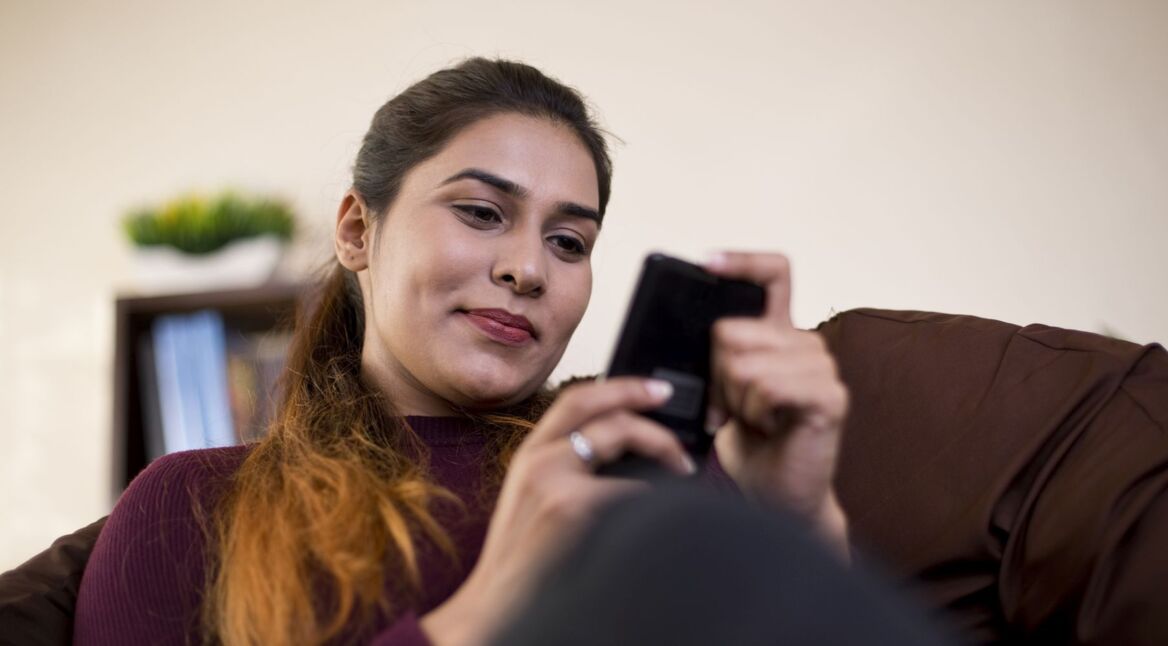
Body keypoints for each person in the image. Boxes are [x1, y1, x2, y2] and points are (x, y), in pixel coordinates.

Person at [73, 58, 858, 646]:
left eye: (568, 241)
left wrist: (801, 518)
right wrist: (495, 601)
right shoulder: (186, 509)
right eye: (482, 212)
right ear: (357, 230)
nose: (529, 269)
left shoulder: (652, 474)